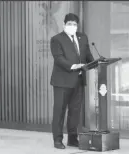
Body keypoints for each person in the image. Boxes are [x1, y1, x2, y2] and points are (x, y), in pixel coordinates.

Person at [49, 13, 94, 149]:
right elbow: (59, 58)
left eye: (74, 24)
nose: (72, 26)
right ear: (64, 25)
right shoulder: (56, 39)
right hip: (62, 81)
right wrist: (72, 66)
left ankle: (72, 139)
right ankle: (57, 140)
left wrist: (95, 63)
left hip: (78, 81)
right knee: (60, 111)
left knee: (75, 112)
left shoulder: (82, 37)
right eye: (69, 24)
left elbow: (87, 55)